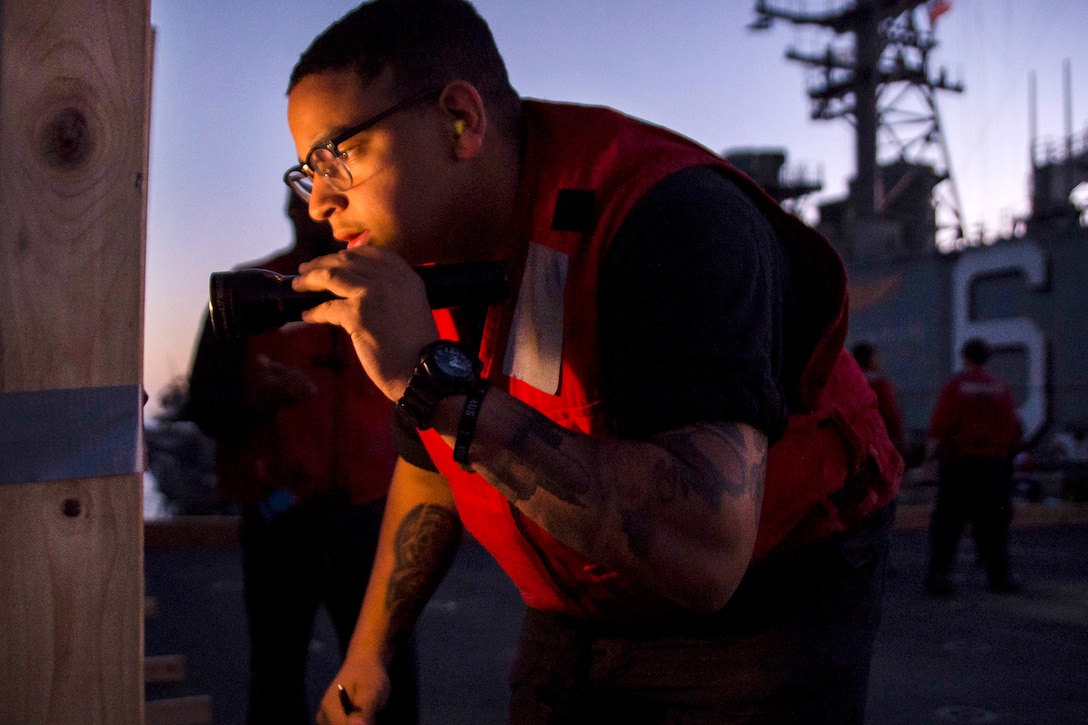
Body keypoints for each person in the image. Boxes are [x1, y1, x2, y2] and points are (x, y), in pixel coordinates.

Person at [283, 1, 902, 722]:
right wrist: (367, 655)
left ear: (460, 119)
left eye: (338, 156)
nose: (319, 201)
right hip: (578, 592)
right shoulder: (424, 261)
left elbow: (706, 553)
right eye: (306, 171)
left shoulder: (673, 218)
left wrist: (436, 384)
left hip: (763, 598)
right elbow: (433, 467)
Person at [186, 192, 419, 724]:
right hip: (280, 521)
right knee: (276, 674)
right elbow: (204, 404)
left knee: (390, 678)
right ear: (291, 211)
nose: (316, 210)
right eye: (301, 198)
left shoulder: (391, 292)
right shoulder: (243, 295)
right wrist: (262, 396)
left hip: (374, 519)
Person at [924, 338, 1022, 597]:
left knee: (948, 524)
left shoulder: (955, 388)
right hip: (993, 465)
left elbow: (938, 428)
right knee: (993, 526)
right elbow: (1012, 430)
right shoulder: (1002, 389)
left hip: (959, 464)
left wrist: (930, 463)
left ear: (965, 357)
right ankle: (999, 577)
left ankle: (939, 577)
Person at [852, 341, 905, 454]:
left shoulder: (847, 384)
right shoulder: (881, 385)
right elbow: (890, 414)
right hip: (879, 444)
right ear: (872, 359)